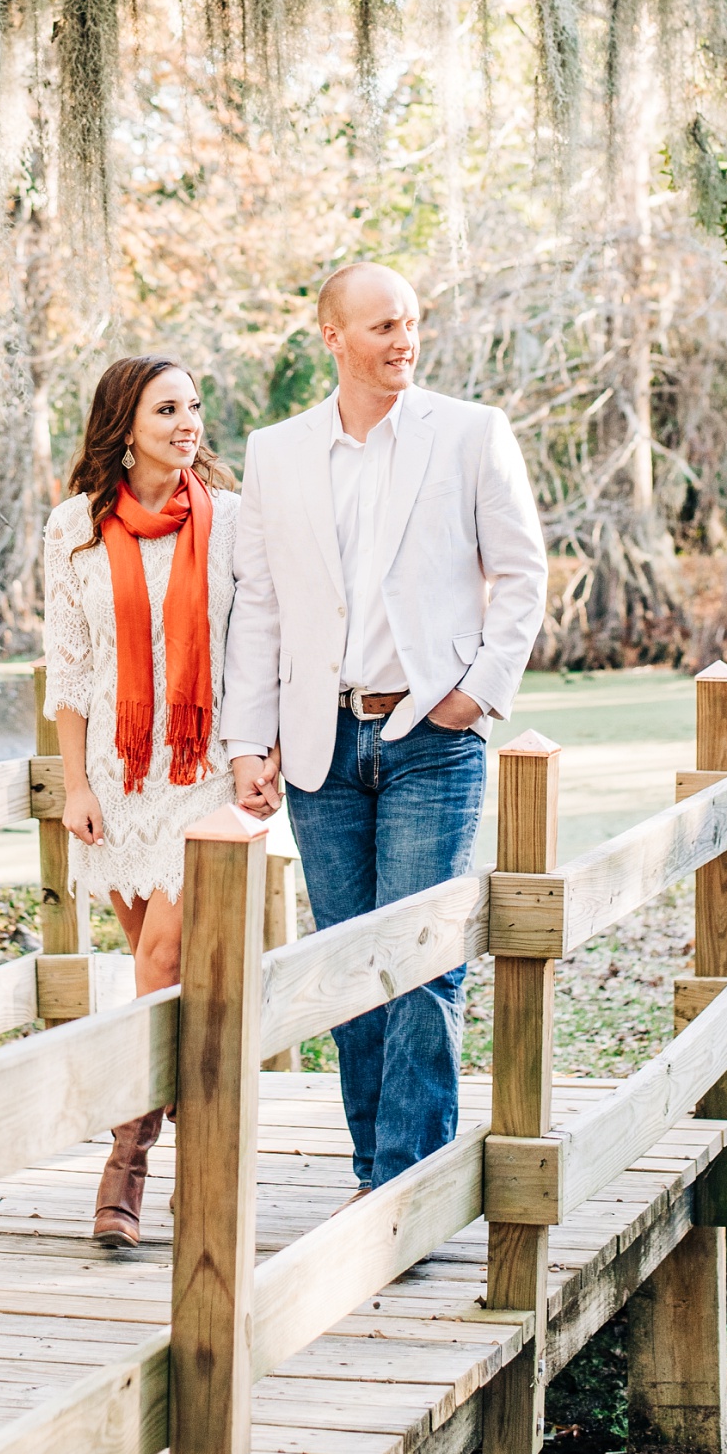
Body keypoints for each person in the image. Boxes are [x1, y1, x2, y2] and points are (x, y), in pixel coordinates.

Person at [217, 263, 548, 1194]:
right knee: (346, 970)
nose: (403, 340)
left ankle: (409, 1189)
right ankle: (374, 1173)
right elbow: (262, 607)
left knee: (422, 963)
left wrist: (474, 694)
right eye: (381, 327)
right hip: (319, 745)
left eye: (411, 322)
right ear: (333, 337)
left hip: (432, 741)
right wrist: (249, 743)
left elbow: (522, 575)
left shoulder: (471, 434)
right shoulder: (277, 453)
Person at [39, 357, 237, 1248]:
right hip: (117, 780)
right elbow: (72, 669)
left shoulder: (231, 522)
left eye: (194, 407)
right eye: (168, 409)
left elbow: (258, 646)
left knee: (158, 961)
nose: (187, 422)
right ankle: (212, 1153)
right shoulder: (72, 528)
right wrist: (75, 785)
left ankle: (125, 1168)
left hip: (205, 774)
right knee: (166, 983)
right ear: (125, 424)